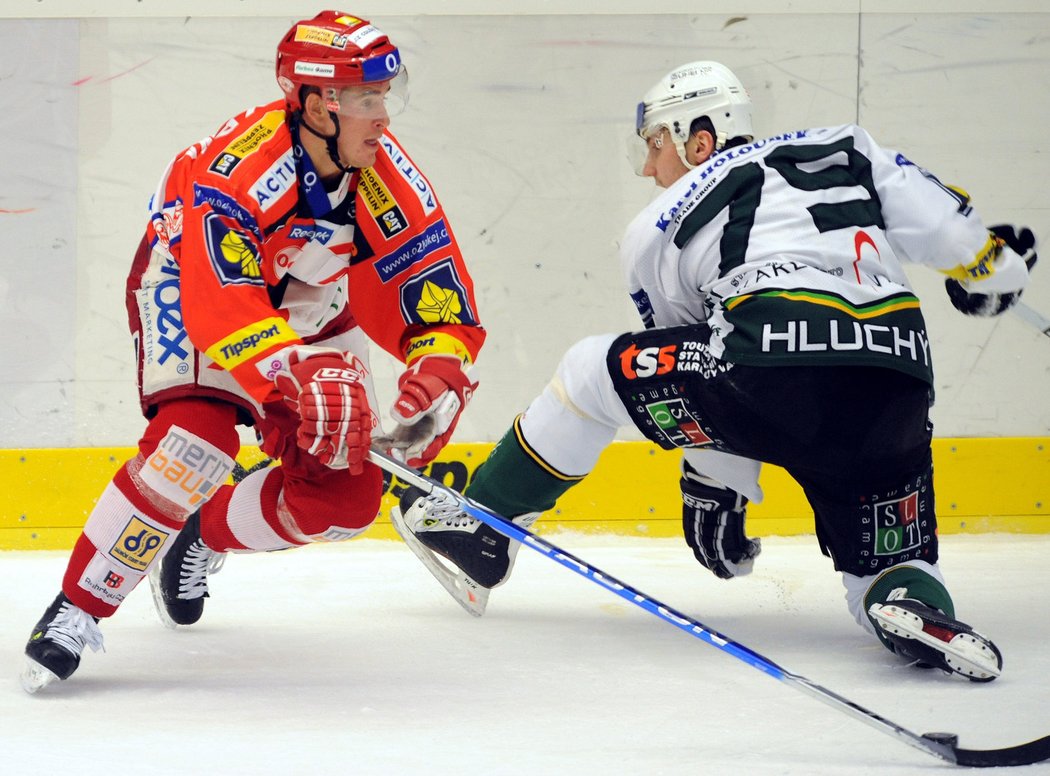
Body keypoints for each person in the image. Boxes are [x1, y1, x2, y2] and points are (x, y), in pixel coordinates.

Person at [394, 60, 1037, 681]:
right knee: (889, 561)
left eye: (654, 146)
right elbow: (943, 221)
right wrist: (989, 267)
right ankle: (914, 605)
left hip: (767, 364)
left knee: (591, 369)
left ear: (698, 140)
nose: (649, 168)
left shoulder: (657, 223)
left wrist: (719, 489)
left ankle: (476, 527)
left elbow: (697, 364)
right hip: (896, 375)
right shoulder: (847, 145)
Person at [21, 11, 485, 693]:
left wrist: (440, 368)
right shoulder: (237, 168)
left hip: (306, 301)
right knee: (192, 446)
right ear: (314, 104)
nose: (383, 117)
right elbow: (223, 299)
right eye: (365, 99)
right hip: (189, 285)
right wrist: (294, 369)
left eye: (386, 96)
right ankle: (77, 608)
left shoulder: (383, 170)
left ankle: (203, 534)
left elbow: (431, 279)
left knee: (346, 498)